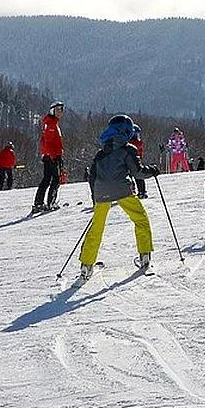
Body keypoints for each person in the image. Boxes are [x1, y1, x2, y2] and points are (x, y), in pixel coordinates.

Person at [78, 115, 160, 283]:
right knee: (141, 219)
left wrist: (96, 198)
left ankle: (86, 267)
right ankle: (145, 257)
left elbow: (92, 177)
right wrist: (152, 171)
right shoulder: (128, 149)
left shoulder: (100, 153)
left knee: (96, 229)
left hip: (101, 193)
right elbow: (138, 172)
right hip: (123, 190)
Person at [33, 101, 64, 212]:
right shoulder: (51, 124)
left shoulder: (52, 122)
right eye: (58, 109)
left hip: (50, 155)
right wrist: (53, 156)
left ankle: (39, 203)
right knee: (55, 179)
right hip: (52, 156)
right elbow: (48, 142)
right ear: (52, 111)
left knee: (47, 179)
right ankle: (50, 202)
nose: (60, 112)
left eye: (61, 109)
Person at [129, 126, 148, 199]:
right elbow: (141, 152)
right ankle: (142, 191)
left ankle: (132, 190)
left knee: (129, 176)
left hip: (128, 162)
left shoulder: (129, 143)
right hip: (137, 161)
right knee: (139, 176)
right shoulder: (138, 143)